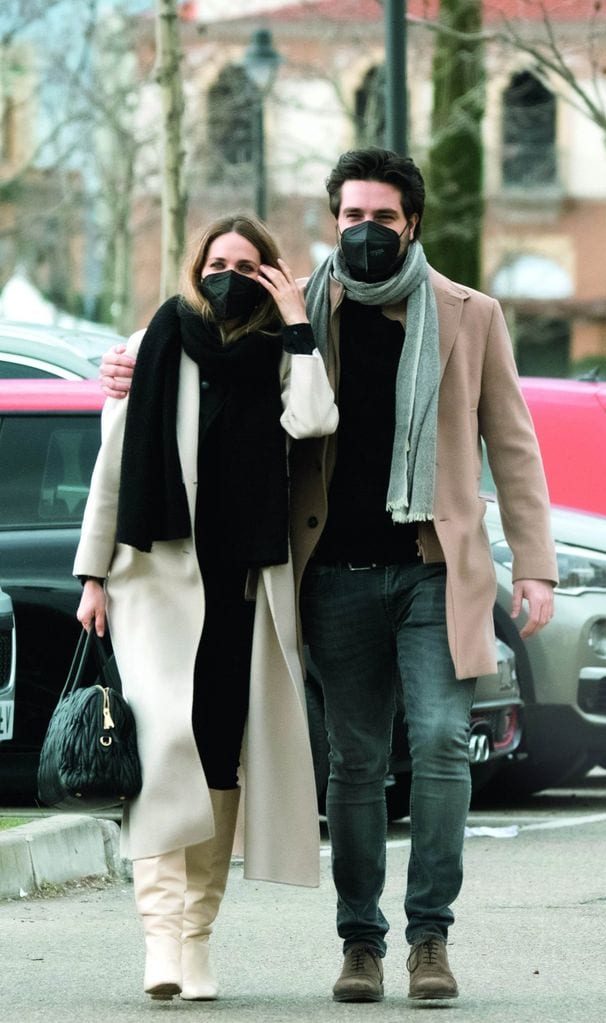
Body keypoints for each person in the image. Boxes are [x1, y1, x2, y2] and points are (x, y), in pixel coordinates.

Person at [99, 149, 558, 1004]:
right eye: (352, 216)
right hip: (333, 574)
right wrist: (122, 363)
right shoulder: (295, 306)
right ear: (334, 219)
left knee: (440, 742)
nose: (365, 231)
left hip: (433, 568)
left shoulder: (471, 314)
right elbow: (197, 347)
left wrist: (536, 565)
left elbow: (513, 443)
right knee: (353, 760)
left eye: (382, 217)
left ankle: (429, 935)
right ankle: (361, 941)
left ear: (411, 223)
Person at [74, 214, 338, 1002]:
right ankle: (160, 938)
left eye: (248, 265)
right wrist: (92, 575)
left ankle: (196, 937)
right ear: (197, 267)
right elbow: (113, 467)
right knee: (163, 751)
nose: (230, 275)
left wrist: (295, 321)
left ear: (269, 274)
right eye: (219, 261)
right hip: (154, 581)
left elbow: (315, 420)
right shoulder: (156, 341)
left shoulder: (282, 353)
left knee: (219, 758)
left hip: (242, 588)